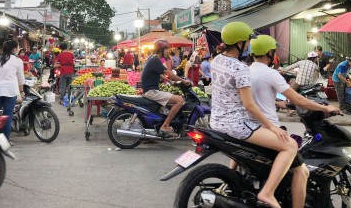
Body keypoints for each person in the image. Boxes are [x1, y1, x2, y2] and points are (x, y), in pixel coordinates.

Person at [210, 22, 297, 208]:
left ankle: (235, 179)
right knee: (290, 145)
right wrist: (273, 127)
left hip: (216, 122)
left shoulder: (216, 60)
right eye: (248, 40)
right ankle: (267, 193)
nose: (249, 44)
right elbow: (249, 105)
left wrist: (275, 103)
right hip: (237, 125)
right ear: (240, 42)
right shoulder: (240, 68)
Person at [249, 35, 340, 208]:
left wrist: (278, 103)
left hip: (249, 127)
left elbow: (252, 99)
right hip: (268, 128)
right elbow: (298, 100)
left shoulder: (246, 71)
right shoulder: (270, 73)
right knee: (302, 170)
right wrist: (324, 108)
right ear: (270, 52)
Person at [142, 40, 189, 137]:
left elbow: (159, 73)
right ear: (161, 50)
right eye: (167, 49)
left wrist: (170, 81)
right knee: (180, 100)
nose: (169, 51)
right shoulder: (155, 60)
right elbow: (169, 73)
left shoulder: (153, 59)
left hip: (151, 90)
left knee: (173, 102)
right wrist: (183, 81)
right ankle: (165, 125)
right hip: (152, 92)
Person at [0, 40, 25, 142]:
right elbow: (21, 79)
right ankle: (5, 140)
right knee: (7, 117)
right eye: (18, 47)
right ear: (14, 49)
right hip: (10, 91)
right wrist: (21, 92)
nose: (19, 49)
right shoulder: (17, 61)